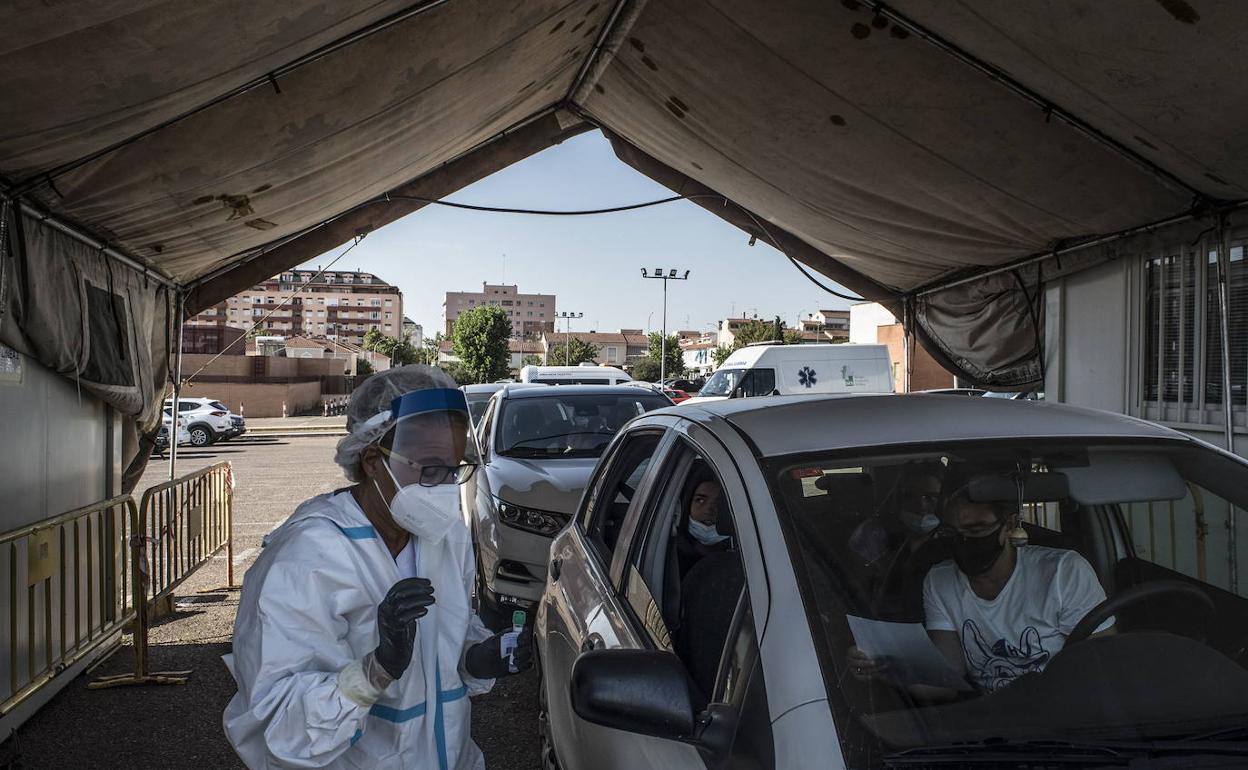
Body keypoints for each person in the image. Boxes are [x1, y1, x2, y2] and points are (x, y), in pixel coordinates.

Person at [224, 366, 531, 769]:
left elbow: (449, 642)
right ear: (372, 460)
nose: (444, 488)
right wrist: (377, 668)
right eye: (430, 470)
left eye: (454, 470)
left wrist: (477, 657)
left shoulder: (445, 536)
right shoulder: (306, 558)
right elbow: (282, 729)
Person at [849, 481, 1111, 696]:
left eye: (977, 530)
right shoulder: (940, 581)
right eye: (954, 532)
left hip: (1064, 712)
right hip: (990, 721)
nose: (964, 541)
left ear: (1009, 525)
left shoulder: (1062, 572)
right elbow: (947, 676)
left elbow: (1101, 664)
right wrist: (882, 667)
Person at [675, 468, 730, 576]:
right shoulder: (671, 557)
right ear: (687, 506)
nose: (709, 510)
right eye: (700, 500)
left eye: (719, 503)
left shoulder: (747, 555)